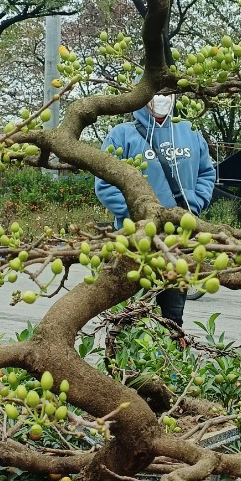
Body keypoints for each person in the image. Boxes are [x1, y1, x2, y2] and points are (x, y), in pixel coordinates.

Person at [95, 92, 216, 328]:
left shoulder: (190, 131)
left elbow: (207, 173)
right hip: (134, 241)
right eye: (155, 92)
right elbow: (104, 184)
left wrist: (195, 203)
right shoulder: (122, 134)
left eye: (167, 92)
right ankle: (122, 362)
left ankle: (169, 361)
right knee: (128, 316)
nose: (162, 98)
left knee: (172, 316)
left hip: (177, 242)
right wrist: (140, 216)